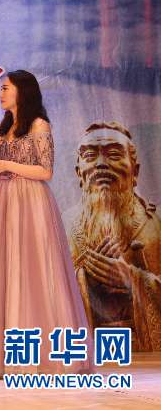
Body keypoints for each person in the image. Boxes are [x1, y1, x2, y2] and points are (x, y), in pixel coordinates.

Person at [0, 70, 92, 377]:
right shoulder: (3, 128)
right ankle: (4, 356)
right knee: (6, 270)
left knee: (37, 271)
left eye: (6, 88)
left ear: (22, 91)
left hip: (32, 202)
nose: (1, 94)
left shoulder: (38, 125)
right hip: (5, 202)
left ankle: (47, 355)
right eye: (1, 89)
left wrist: (6, 163)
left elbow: (45, 171)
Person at [70, 121, 161, 351]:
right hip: (87, 351)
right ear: (79, 172)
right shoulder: (62, 227)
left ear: (135, 170)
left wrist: (133, 279)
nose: (101, 164)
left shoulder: (157, 222)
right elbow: (40, 296)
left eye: (113, 154)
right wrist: (84, 279)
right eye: (90, 156)